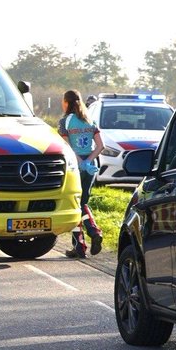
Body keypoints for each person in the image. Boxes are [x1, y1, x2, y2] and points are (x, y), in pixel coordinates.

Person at [58, 89, 105, 258]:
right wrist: (88, 161)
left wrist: (79, 161)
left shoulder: (65, 121)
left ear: (66, 103)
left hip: (75, 166)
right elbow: (101, 146)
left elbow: (66, 146)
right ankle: (84, 242)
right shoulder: (89, 120)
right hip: (90, 166)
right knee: (83, 202)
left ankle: (86, 239)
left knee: (75, 204)